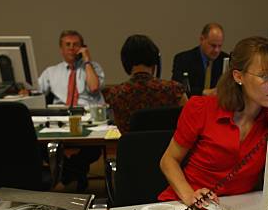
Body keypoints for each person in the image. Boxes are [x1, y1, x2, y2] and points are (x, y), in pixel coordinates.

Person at [159, 36, 268, 207]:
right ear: (238, 76)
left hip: (239, 209)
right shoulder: (202, 108)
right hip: (187, 206)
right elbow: (168, 160)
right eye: (265, 76)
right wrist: (189, 195)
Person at [37, 30, 104, 191]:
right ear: (61, 48)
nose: (72, 48)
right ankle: (76, 175)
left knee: (93, 149)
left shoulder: (93, 67)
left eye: (76, 45)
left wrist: (87, 61)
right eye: (68, 45)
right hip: (60, 118)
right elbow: (36, 93)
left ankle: (64, 180)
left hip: (87, 119)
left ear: (83, 47)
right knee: (40, 146)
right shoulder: (51, 72)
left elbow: (94, 87)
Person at [104, 35, 187, 134]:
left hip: (132, 148)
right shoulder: (175, 89)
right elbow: (191, 121)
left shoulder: (116, 94)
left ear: (125, 62)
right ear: (155, 60)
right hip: (168, 148)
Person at [171, 23, 229, 97]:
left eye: (219, 46)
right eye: (213, 45)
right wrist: (203, 92)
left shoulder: (225, 59)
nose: (216, 50)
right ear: (202, 39)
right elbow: (178, 88)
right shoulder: (183, 59)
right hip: (192, 104)